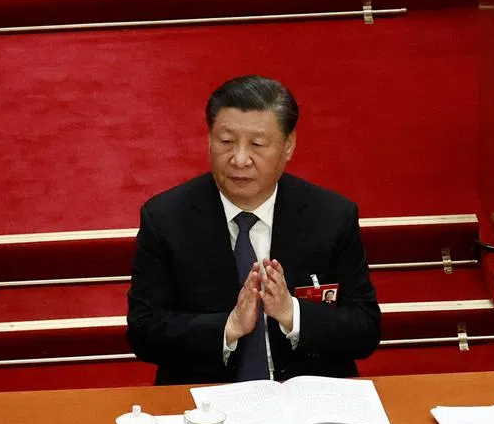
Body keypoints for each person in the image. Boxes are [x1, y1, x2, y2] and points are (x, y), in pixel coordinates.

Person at [127, 75, 381, 385]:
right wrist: (228, 327)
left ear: (288, 146)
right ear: (209, 140)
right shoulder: (167, 218)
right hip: (206, 396)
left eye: (257, 145)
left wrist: (292, 314)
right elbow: (143, 331)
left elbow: (365, 329)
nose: (239, 159)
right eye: (226, 142)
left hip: (307, 398)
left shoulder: (330, 216)